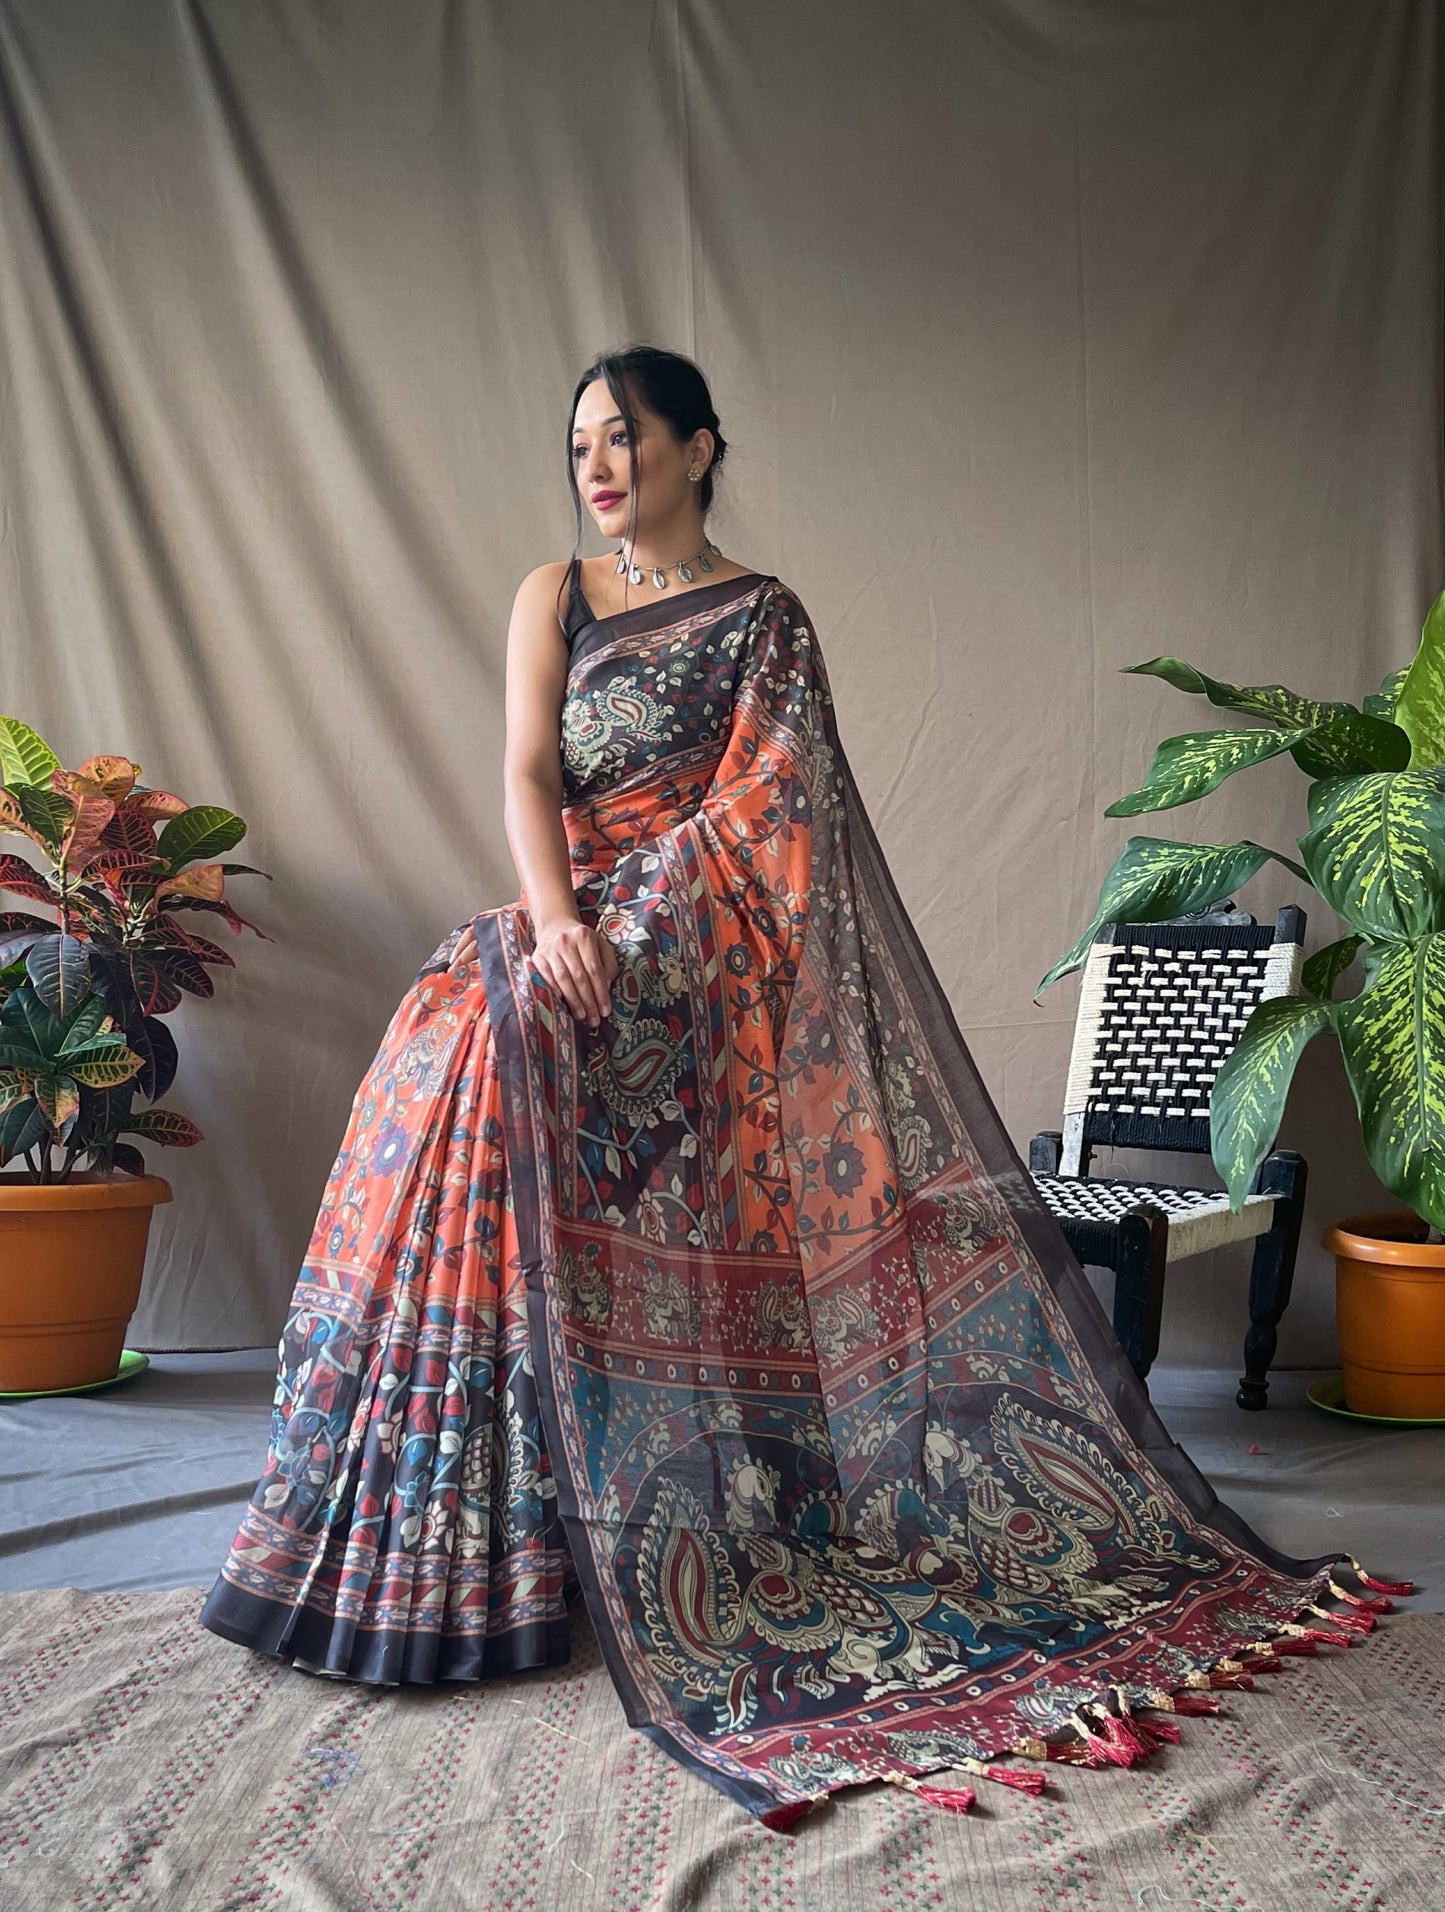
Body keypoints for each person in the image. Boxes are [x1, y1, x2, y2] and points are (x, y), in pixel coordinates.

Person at [198, 344, 1399, 1828]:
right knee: (450, 1054)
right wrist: (564, 921)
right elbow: (524, 774)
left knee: (527, 1046)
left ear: (699, 448)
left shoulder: (764, 619)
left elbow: (778, 817)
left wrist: (630, 943)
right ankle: (451, 1549)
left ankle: (633, 1533)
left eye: (624, 436)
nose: (597, 462)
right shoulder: (549, 595)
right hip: (572, 923)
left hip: (696, 968)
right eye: (579, 440)